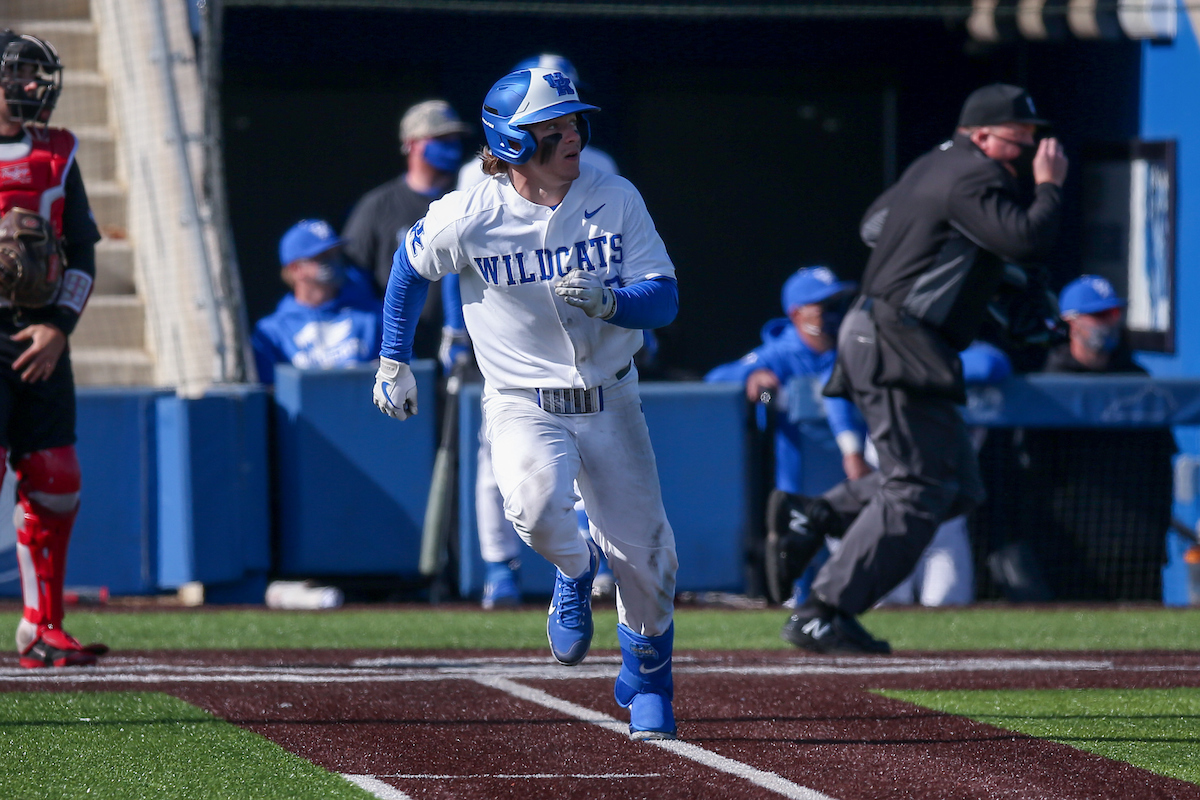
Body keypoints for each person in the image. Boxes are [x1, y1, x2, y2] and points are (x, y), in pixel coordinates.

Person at [373, 66, 680, 740]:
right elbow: (407, 269)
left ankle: (649, 682)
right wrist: (393, 359)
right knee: (535, 512)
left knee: (648, 558)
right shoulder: (470, 212)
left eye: (574, 122)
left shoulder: (615, 194)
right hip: (522, 398)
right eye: (554, 127)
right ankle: (574, 566)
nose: (573, 136)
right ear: (512, 142)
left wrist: (613, 301)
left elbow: (664, 297)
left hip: (611, 395)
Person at [766, 83, 1068, 654]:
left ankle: (817, 514)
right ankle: (823, 610)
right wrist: (1049, 186)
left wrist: (974, 268)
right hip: (897, 338)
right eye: (1020, 136)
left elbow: (875, 226)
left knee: (956, 488)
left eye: (1033, 137)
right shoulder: (975, 173)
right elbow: (1027, 238)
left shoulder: (934, 166)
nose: (1031, 147)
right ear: (981, 134)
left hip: (900, 337)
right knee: (919, 488)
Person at [444, 54, 623, 610]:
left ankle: (585, 560)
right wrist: (455, 329)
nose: (568, 128)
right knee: (497, 458)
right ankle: (499, 567)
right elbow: (451, 256)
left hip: (579, 332)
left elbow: (615, 251)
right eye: (551, 116)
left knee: (591, 455)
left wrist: (622, 306)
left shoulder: (599, 166)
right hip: (508, 335)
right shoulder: (476, 176)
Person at [0, 32, 108, 668]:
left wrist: (60, 325)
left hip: (39, 334)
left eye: (38, 76)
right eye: (20, 75)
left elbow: (84, 250)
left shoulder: (57, 153)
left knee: (57, 479)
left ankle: (42, 626)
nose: (33, 88)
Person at [703, 266, 866, 603]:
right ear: (796, 314)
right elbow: (715, 379)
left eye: (837, 304)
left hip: (857, 478)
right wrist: (751, 377)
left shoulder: (856, 347)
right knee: (799, 568)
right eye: (823, 307)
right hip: (801, 482)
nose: (833, 314)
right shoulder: (780, 353)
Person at [1010, 275, 1176, 600]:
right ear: (1071, 322)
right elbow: (1030, 474)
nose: (1109, 323)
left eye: (1114, 314)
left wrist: (1156, 534)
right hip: (1066, 552)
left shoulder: (1139, 382)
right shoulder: (1048, 386)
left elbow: (1161, 465)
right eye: (1099, 315)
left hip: (1134, 549)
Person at [342, 100, 470, 360]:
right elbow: (353, 277)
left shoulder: (468, 199)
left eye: (455, 138)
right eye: (441, 139)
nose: (451, 146)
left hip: (467, 344)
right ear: (411, 143)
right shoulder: (378, 206)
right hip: (404, 346)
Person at [251, 219, 382, 385]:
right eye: (322, 256)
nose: (334, 261)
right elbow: (268, 392)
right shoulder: (272, 332)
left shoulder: (371, 316)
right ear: (296, 269)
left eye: (336, 253)